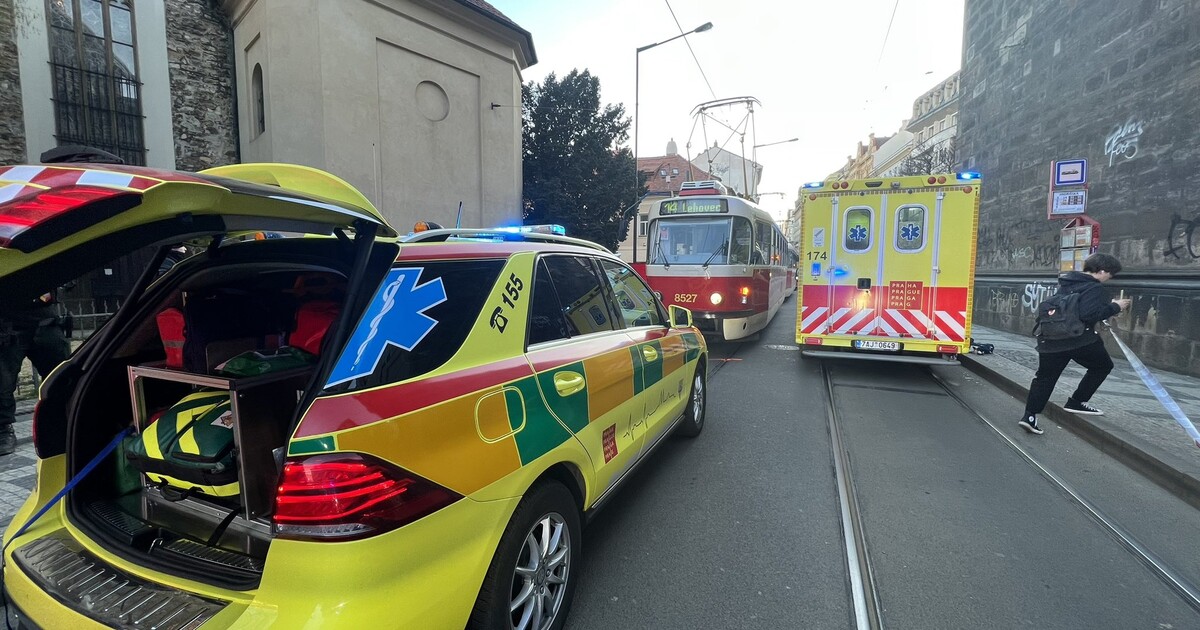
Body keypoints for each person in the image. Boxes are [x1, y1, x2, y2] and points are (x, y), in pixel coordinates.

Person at [1019, 253, 1131, 435]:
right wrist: (1115, 306)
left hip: (1051, 340)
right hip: (1079, 340)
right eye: (1110, 274)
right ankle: (1076, 402)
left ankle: (1029, 417)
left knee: (1045, 378)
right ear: (1102, 271)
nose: (1109, 278)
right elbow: (1088, 315)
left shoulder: (1067, 283)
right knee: (1102, 366)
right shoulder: (1095, 288)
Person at [0, 292, 72, 455]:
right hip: (7, 322)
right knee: (3, 382)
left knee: (62, 376)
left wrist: (55, 289)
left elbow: (66, 275)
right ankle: (3, 430)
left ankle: (66, 421)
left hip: (45, 318)